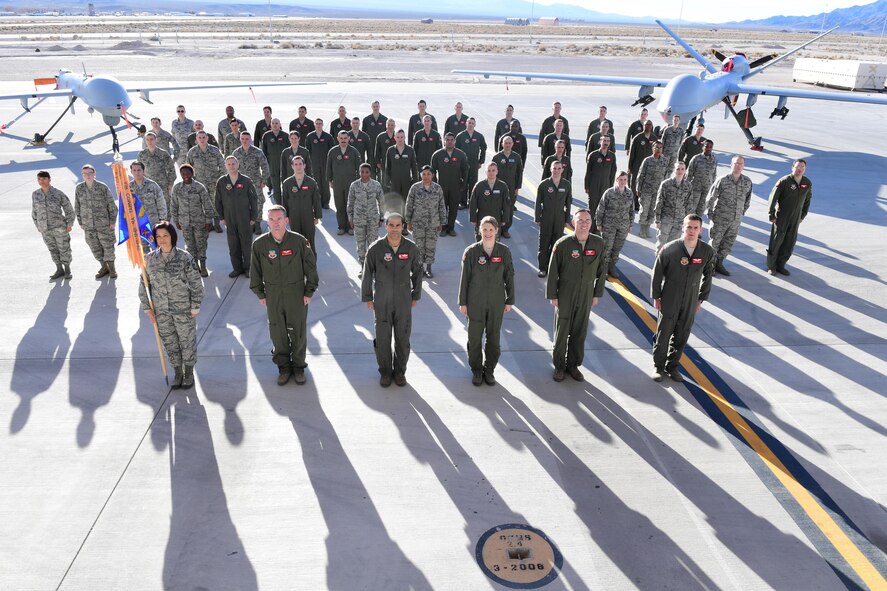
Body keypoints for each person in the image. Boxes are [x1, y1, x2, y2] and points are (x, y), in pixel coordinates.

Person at [250, 205, 319, 386]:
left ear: (286, 220)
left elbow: (311, 268)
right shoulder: (260, 244)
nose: (276, 223)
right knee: (277, 331)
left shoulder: (299, 242)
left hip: (296, 294)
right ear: (267, 221)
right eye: (271, 219)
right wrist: (260, 293)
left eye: (279, 219)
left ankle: (298, 367)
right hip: (273, 294)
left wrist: (309, 291)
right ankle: (283, 368)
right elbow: (255, 271)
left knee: (298, 331)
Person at [139, 221, 204, 390]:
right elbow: (144, 285)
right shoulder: (149, 259)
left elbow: (196, 283)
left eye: (165, 236)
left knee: (187, 341)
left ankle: (188, 371)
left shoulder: (184, 258)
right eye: (159, 236)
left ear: (172, 237)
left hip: (183, 310)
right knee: (170, 342)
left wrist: (195, 305)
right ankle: (177, 371)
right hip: (161, 311)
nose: (162, 240)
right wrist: (147, 307)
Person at [361, 212, 423, 387]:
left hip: (403, 299)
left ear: (403, 226)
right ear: (385, 226)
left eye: (398, 225)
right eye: (391, 225)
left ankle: (400, 372)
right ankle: (386, 373)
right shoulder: (376, 248)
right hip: (382, 299)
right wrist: (368, 297)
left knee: (403, 339)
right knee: (382, 339)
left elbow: (418, 273)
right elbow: (367, 274)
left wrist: (415, 294)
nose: (394, 229)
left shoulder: (411, 248)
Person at [650, 214, 714, 382]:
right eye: (688, 227)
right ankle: (658, 367)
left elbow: (708, 276)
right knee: (664, 333)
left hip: (691, 299)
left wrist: (701, 299)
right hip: (670, 295)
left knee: (682, 334)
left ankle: (673, 367)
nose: (691, 231)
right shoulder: (670, 249)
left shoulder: (706, 251)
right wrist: (656, 296)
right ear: (682, 227)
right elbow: (657, 273)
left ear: (701, 229)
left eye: (695, 228)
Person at [546, 209, 606, 382]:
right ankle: (559, 366)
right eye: (580, 220)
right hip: (565, 292)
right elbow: (553, 272)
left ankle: (573, 365)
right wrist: (553, 294)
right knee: (562, 331)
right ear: (573, 222)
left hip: (586, 293)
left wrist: (596, 294)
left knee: (580, 331)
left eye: (587, 221)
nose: (584, 224)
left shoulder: (598, 244)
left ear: (591, 223)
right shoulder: (563, 244)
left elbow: (602, 271)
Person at [458, 216, 515, 386]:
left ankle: (489, 369)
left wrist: (509, 300)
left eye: (491, 229)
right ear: (479, 230)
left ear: (497, 230)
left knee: (494, 338)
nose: (488, 233)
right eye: (485, 229)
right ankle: (476, 370)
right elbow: (464, 278)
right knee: (474, 338)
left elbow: (509, 277)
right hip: (475, 302)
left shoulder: (504, 252)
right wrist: (463, 302)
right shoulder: (471, 252)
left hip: (496, 302)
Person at [706, 155, 753, 276]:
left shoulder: (747, 182)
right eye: (736, 163)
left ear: (744, 166)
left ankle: (719, 263)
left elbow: (747, 200)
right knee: (714, 242)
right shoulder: (723, 180)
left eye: (740, 164)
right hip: (720, 218)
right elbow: (711, 198)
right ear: (731, 165)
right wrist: (711, 214)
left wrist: (741, 213)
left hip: (735, 220)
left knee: (728, 243)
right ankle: (709, 266)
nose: (738, 166)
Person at [766, 159, 813, 276]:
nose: (800, 169)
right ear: (792, 168)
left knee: (789, 243)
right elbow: (773, 198)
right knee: (777, 241)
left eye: (802, 167)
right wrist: (771, 215)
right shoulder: (784, 181)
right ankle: (771, 266)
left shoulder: (807, 183)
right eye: (797, 167)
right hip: (782, 216)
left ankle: (781, 265)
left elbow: (807, 201)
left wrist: (802, 216)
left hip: (796, 218)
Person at [215, 156, 258, 277]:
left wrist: (253, 217)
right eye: (229, 164)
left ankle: (248, 268)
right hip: (230, 218)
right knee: (233, 245)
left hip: (245, 217)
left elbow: (254, 200)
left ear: (238, 165)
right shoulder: (222, 181)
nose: (231, 166)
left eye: (233, 164)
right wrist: (222, 217)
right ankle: (237, 268)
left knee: (246, 245)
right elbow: (217, 200)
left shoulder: (246, 181)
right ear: (225, 166)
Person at [170, 164, 215, 277]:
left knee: (201, 244)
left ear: (192, 173)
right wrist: (176, 220)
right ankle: (194, 267)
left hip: (199, 222)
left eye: (188, 173)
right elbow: (174, 205)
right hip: (184, 222)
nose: (185, 175)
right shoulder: (177, 188)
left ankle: (203, 266)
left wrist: (209, 220)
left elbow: (207, 204)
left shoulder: (199, 187)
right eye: (183, 173)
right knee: (190, 246)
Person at [75, 164, 117, 280]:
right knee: (95, 247)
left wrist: (112, 222)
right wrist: (80, 222)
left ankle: (112, 269)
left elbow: (112, 205)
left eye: (90, 173)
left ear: (94, 173)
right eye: (85, 174)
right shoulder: (79, 188)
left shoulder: (102, 187)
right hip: (88, 225)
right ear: (82, 175)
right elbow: (77, 205)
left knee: (108, 247)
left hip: (104, 224)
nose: (87, 176)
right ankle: (104, 267)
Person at [405, 165, 446, 278]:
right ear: (420, 175)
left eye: (428, 174)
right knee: (418, 246)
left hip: (433, 223)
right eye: (424, 174)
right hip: (418, 223)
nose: (426, 176)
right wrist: (408, 221)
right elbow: (409, 205)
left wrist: (442, 222)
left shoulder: (437, 188)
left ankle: (428, 268)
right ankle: (419, 268)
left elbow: (441, 206)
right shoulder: (415, 188)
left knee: (430, 246)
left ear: (433, 175)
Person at [32, 170, 74, 280]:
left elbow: (68, 209)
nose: (41, 181)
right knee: (52, 249)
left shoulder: (58, 193)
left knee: (64, 248)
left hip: (59, 227)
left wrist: (69, 223)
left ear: (49, 179)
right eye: (39, 179)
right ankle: (59, 269)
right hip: (45, 229)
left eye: (44, 179)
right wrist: (38, 226)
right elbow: (34, 212)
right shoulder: (35, 194)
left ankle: (67, 269)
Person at [534, 161, 572, 277]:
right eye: (554, 168)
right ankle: (542, 268)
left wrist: (567, 220)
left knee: (557, 245)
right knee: (544, 244)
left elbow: (568, 204)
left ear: (562, 170)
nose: (556, 171)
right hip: (546, 218)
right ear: (551, 169)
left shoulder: (566, 185)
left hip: (559, 219)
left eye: (558, 168)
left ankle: (553, 268)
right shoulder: (544, 184)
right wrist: (537, 217)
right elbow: (538, 203)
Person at [595, 171, 635, 279]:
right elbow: (601, 208)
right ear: (616, 180)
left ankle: (612, 267)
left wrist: (631, 224)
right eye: (620, 179)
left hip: (623, 226)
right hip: (609, 225)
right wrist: (599, 223)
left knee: (617, 248)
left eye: (625, 180)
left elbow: (631, 210)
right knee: (607, 248)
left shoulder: (629, 193)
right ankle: (603, 269)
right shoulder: (609, 193)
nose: (622, 182)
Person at [186, 130, 226, 233]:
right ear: (196, 139)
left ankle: (217, 224)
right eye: (200, 138)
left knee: (215, 202)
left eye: (204, 137)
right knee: (202, 203)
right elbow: (188, 168)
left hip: (214, 181)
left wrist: (222, 179)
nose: (202, 139)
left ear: (207, 138)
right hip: (200, 182)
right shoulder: (192, 152)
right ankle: (208, 224)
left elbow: (222, 165)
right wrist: (190, 182)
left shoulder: (214, 150)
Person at [347, 163, 383, 275]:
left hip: (372, 219)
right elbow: (350, 202)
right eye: (362, 172)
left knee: (372, 244)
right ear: (359, 172)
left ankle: (372, 267)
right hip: (358, 219)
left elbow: (381, 201)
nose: (364, 174)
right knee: (360, 244)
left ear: (370, 173)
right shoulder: (354, 185)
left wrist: (381, 217)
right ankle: (363, 267)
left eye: (366, 172)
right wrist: (350, 218)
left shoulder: (376, 185)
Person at [233, 131, 272, 234]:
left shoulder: (257, 152)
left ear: (250, 140)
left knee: (258, 202)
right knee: (243, 203)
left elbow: (265, 166)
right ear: (240, 139)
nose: (245, 141)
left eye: (247, 139)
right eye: (243, 139)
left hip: (255, 182)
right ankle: (247, 224)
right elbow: (232, 167)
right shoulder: (236, 153)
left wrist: (264, 180)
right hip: (241, 183)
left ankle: (257, 223)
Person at [430, 132, 469, 237]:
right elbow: (432, 172)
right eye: (447, 140)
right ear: (444, 141)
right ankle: (443, 228)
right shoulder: (437, 155)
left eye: (452, 140)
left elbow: (465, 170)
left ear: (455, 141)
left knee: (453, 208)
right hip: (442, 186)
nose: (450, 142)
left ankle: (451, 228)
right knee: (442, 208)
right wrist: (434, 185)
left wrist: (463, 184)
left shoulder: (460, 154)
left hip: (455, 187)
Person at [281, 156, 322, 255]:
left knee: (309, 242)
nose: (298, 166)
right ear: (292, 166)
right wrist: (285, 217)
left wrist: (317, 216)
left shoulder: (311, 182)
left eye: (300, 164)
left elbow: (316, 201)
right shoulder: (287, 183)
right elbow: (285, 202)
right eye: (295, 164)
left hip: (308, 217)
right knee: (295, 242)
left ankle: (311, 267)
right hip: (293, 217)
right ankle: (298, 267)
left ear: (304, 165)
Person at [327, 130, 362, 235]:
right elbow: (328, 167)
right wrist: (329, 180)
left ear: (348, 139)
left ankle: (350, 227)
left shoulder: (354, 151)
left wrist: (358, 182)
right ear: (338, 139)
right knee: (339, 205)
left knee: (350, 205)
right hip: (337, 182)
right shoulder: (333, 151)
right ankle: (341, 226)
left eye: (345, 138)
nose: (343, 140)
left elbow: (359, 168)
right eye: (341, 138)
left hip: (351, 183)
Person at [654, 161, 693, 251]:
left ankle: (669, 264)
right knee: (661, 245)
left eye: (682, 169)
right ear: (674, 170)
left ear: (685, 170)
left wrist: (688, 223)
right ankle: (659, 263)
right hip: (666, 219)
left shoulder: (688, 185)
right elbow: (659, 202)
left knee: (673, 245)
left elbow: (689, 204)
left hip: (679, 220)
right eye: (678, 169)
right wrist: (657, 220)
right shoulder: (666, 184)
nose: (680, 171)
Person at [635, 141, 668, 238]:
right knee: (644, 209)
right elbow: (640, 175)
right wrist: (638, 189)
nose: (658, 149)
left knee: (653, 210)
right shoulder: (647, 160)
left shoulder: (665, 161)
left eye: (660, 148)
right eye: (656, 147)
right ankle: (642, 229)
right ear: (652, 148)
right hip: (646, 189)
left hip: (658, 191)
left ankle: (647, 228)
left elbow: (666, 177)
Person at [491, 136, 522, 239]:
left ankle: (506, 230)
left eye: (509, 143)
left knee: (509, 208)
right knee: (497, 208)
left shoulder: (516, 157)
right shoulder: (497, 157)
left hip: (511, 187)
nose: (508, 145)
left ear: (512, 144)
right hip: (498, 187)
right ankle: (497, 229)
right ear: (502, 144)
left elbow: (519, 173)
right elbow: (491, 172)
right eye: (506, 143)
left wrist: (517, 188)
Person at [584, 135, 617, 231]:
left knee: (603, 208)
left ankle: (599, 228)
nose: (606, 143)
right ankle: (590, 228)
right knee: (592, 207)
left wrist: (611, 187)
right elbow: (588, 172)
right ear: (600, 142)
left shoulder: (612, 156)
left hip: (605, 186)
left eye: (608, 141)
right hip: (593, 186)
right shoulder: (593, 155)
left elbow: (613, 173)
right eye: (604, 141)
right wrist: (586, 186)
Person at [469, 162, 509, 239]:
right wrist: (473, 218)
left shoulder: (502, 186)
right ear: (485, 172)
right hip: (482, 218)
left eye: (493, 170)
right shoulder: (479, 185)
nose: (491, 172)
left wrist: (504, 219)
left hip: (496, 218)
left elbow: (506, 204)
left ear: (497, 171)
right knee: (480, 241)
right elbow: (473, 203)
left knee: (495, 242)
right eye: (489, 170)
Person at [384, 129, 418, 218]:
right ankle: (396, 223)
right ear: (395, 138)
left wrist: (415, 182)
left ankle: (405, 225)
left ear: (404, 137)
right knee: (395, 203)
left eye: (402, 137)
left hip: (406, 181)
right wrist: (387, 182)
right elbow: (388, 168)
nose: (400, 139)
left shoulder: (410, 150)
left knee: (406, 203)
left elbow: (414, 168)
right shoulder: (390, 150)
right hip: (394, 182)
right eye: (398, 137)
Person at [455, 117, 487, 210]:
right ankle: (463, 202)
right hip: (462, 164)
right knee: (463, 183)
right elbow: (456, 150)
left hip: (474, 164)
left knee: (473, 183)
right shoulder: (460, 136)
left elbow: (483, 148)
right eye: (469, 123)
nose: (471, 124)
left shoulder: (479, 136)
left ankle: (472, 202)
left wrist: (481, 161)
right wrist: (457, 162)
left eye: (472, 123)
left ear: (475, 124)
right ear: (466, 124)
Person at [138, 131, 176, 207]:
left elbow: (171, 169)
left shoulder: (163, 153)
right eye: (147, 139)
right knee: (150, 206)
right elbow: (139, 170)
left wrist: (170, 184)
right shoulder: (142, 154)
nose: (149, 142)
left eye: (151, 139)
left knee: (165, 205)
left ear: (156, 140)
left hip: (162, 184)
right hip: (147, 184)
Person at [129, 161, 168, 235]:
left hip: (153, 222)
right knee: (142, 246)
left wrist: (162, 219)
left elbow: (161, 202)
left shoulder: (152, 185)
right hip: (138, 223)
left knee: (156, 245)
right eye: (134, 170)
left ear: (143, 171)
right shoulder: (128, 187)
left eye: (139, 170)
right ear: (131, 172)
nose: (137, 173)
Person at [305, 118, 334, 209]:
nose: (318, 125)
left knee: (325, 183)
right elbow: (307, 151)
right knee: (316, 183)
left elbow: (332, 151)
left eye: (320, 123)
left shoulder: (328, 137)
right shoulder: (310, 136)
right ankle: (317, 202)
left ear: (322, 124)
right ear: (314, 125)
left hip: (325, 163)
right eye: (317, 123)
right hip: (314, 164)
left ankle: (326, 202)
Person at [686, 139, 718, 217]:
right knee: (691, 208)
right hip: (696, 188)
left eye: (711, 147)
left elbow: (714, 174)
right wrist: (686, 187)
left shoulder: (714, 159)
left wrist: (712, 188)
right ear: (703, 147)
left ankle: (697, 225)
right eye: (707, 146)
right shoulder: (696, 158)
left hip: (707, 189)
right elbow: (689, 174)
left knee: (701, 209)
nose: (709, 148)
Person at [260, 117, 288, 204]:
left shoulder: (285, 135)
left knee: (285, 182)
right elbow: (263, 150)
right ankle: (278, 202)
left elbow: (289, 149)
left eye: (277, 123)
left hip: (284, 162)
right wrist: (265, 163)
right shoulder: (266, 136)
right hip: (272, 162)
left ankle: (286, 201)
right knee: (275, 184)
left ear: (280, 125)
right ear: (271, 125)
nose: (275, 125)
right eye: (273, 123)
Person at [628, 120, 655, 195]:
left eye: (650, 125)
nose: (648, 126)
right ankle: (634, 203)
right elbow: (631, 154)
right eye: (646, 124)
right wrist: (630, 167)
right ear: (643, 126)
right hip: (637, 164)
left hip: (650, 166)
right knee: (634, 184)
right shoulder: (637, 138)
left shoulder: (654, 138)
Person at [361, 101, 388, 169]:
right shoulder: (366, 120)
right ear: (372, 107)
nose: (376, 108)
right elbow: (363, 135)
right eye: (374, 106)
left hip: (381, 147)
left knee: (381, 168)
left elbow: (388, 133)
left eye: (377, 106)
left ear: (379, 107)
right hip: (370, 147)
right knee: (371, 167)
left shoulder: (385, 119)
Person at [373, 118, 397, 182]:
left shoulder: (398, 136)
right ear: (386, 125)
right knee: (384, 180)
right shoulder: (381, 136)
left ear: (395, 126)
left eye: (392, 125)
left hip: (395, 162)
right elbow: (377, 151)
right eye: (388, 125)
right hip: (383, 163)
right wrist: (377, 162)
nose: (390, 126)